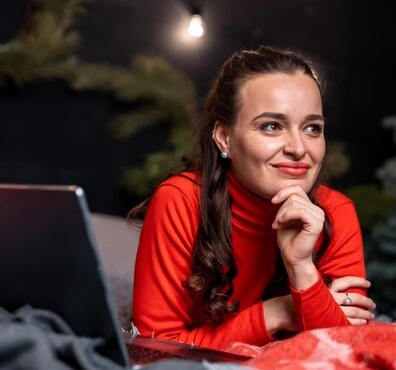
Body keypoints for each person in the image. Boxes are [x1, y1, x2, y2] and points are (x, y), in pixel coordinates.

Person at [131, 46, 375, 351]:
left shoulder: (336, 212)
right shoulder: (180, 201)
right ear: (225, 137)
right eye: (272, 126)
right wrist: (277, 312)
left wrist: (301, 267)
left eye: (312, 128)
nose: (299, 148)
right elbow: (154, 350)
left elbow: (347, 352)